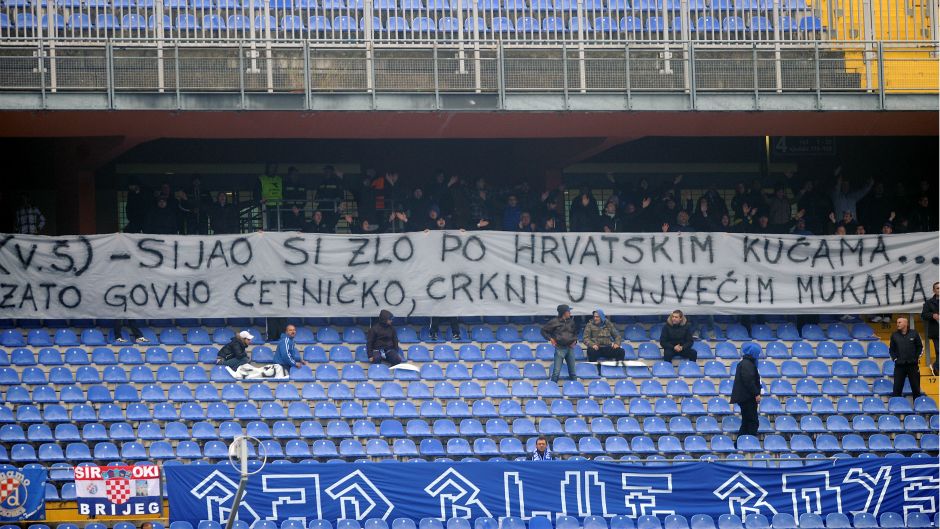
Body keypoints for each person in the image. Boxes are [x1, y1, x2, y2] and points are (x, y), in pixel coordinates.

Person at [730, 343, 762, 438]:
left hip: (745, 398)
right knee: (752, 422)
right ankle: (749, 442)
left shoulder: (745, 363)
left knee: (746, 422)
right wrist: (756, 393)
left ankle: (740, 443)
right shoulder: (747, 364)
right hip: (747, 398)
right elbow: (749, 380)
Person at [540, 304, 578, 382]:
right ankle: (552, 389)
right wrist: (550, 339)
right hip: (560, 348)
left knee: (573, 373)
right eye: (568, 311)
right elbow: (543, 331)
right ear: (564, 313)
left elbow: (575, 333)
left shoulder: (571, 322)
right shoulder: (554, 322)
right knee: (556, 372)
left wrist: (575, 341)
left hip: (570, 348)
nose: (570, 313)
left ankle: (575, 389)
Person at [889, 317, 922, 400]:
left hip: (913, 365)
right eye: (897, 322)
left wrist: (916, 358)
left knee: (916, 389)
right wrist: (895, 359)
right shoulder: (894, 335)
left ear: (906, 323)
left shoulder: (914, 333)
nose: (897, 324)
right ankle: (896, 409)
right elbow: (891, 349)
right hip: (899, 366)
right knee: (896, 389)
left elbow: (920, 347)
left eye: (899, 322)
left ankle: (918, 408)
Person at [922, 282, 939, 374]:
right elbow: (923, 315)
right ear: (934, 290)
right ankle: (936, 367)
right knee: (938, 350)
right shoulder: (928, 303)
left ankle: (936, 366)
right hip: (936, 331)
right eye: (937, 288)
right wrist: (932, 315)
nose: (939, 290)